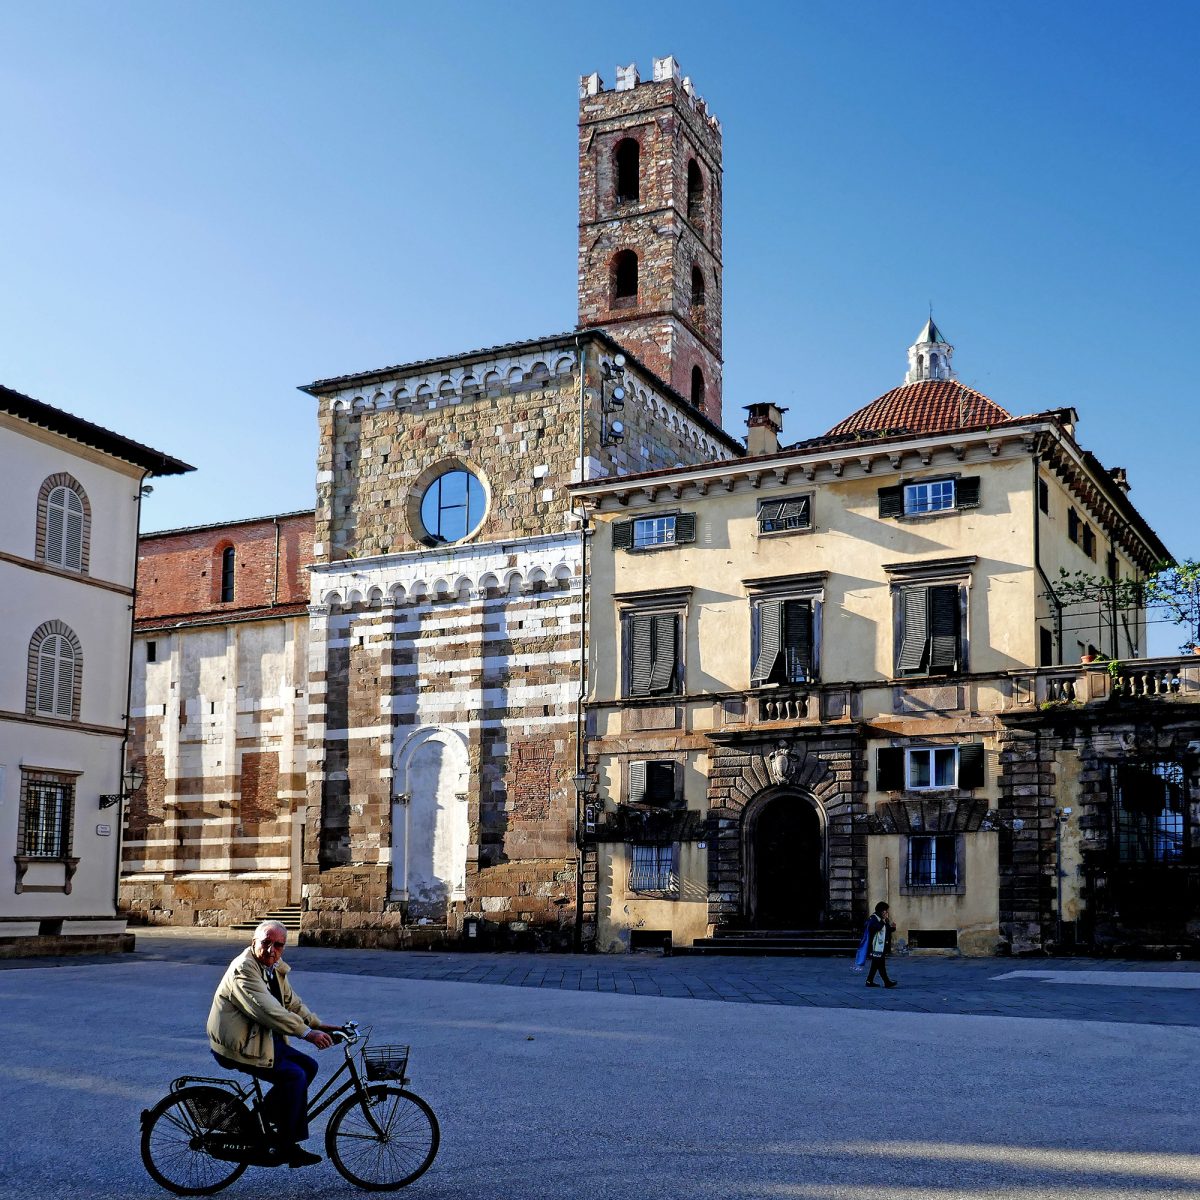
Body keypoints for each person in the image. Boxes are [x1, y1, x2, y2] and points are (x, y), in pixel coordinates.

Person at [207, 920, 340, 1167]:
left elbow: (290, 1001)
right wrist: (306, 1033)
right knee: (294, 1076)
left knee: (308, 1067)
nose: (272, 950)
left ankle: (260, 1122)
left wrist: (317, 1023)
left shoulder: (273, 967)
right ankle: (286, 1145)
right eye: (266, 943)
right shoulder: (244, 970)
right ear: (253, 943)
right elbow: (266, 1010)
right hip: (240, 1045)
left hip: (259, 1039)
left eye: (278, 945)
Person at [861, 901, 898, 988]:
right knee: (880, 965)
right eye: (885, 911)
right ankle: (886, 982)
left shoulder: (882, 919)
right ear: (881, 911)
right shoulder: (873, 918)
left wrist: (893, 928)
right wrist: (884, 920)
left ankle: (870, 981)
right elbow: (877, 927)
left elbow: (886, 930)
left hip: (881, 947)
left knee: (876, 964)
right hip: (875, 947)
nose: (887, 912)